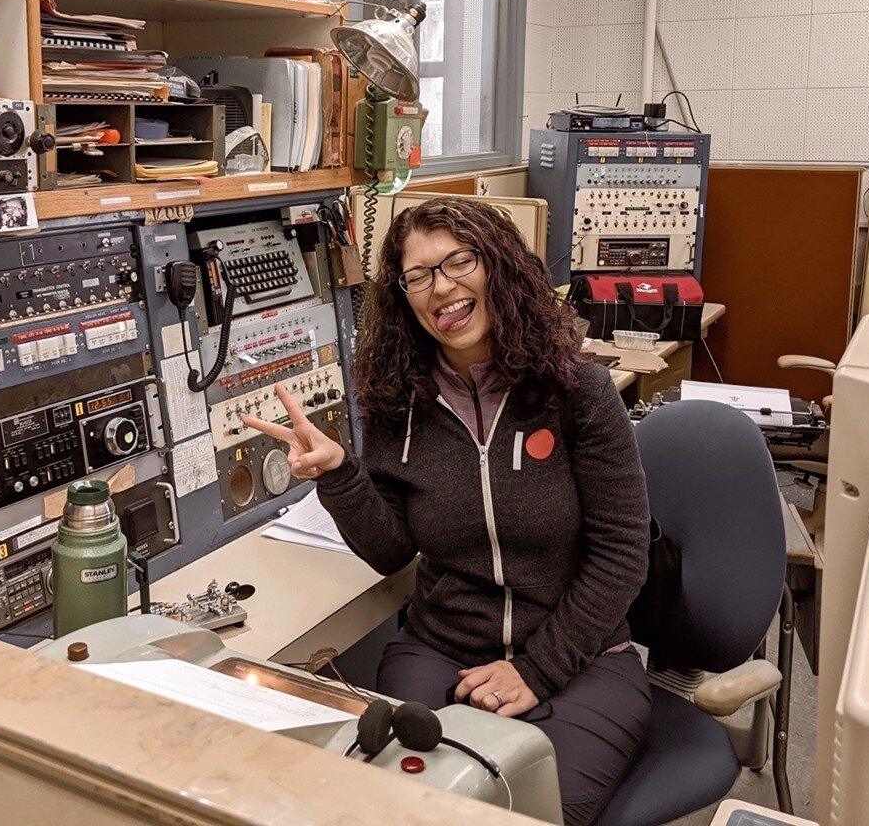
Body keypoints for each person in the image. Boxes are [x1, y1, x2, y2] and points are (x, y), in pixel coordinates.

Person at [243, 197, 651, 826]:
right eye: (418, 276)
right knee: (395, 808)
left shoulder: (577, 391)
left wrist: (535, 672)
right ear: (403, 296)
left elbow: (623, 555)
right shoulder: (395, 401)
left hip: (582, 657)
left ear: (499, 267)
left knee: (530, 812)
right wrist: (338, 474)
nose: (442, 289)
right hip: (441, 649)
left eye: (459, 262)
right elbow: (391, 551)